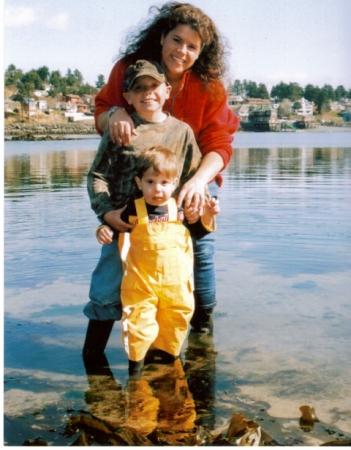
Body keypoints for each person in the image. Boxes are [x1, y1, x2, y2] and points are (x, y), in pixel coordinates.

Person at [88, 2, 239, 352]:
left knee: (198, 250)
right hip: (138, 183)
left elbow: (220, 144)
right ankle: (110, 337)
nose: (182, 51)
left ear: (201, 53)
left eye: (192, 46)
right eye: (176, 39)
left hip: (192, 176)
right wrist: (114, 114)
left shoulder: (209, 86)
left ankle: (202, 333)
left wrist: (200, 180)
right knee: (122, 252)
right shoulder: (129, 69)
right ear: (161, 38)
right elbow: (101, 113)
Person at [83, 59, 207, 358]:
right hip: (123, 227)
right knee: (106, 291)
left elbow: (192, 180)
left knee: (168, 299)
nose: (147, 93)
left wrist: (199, 208)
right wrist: (106, 214)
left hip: (165, 235)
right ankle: (92, 358)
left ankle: (161, 361)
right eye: (138, 88)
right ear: (127, 96)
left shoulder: (182, 132)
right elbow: (97, 176)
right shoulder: (120, 128)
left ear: (167, 90)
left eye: (153, 86)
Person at [97, 146, 219, 376]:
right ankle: (136, 374)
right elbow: (112, 227)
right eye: (150, 182)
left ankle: (171, 372)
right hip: (141, 284)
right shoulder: (134, 208)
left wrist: (209, 214)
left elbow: (201, 229)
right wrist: (102, 231)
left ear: (174, 184)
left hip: (176, 287)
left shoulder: (179, 211)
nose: (157, 189)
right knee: (138, 328)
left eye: (164, 182)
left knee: (175, 324)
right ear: (138, 182)